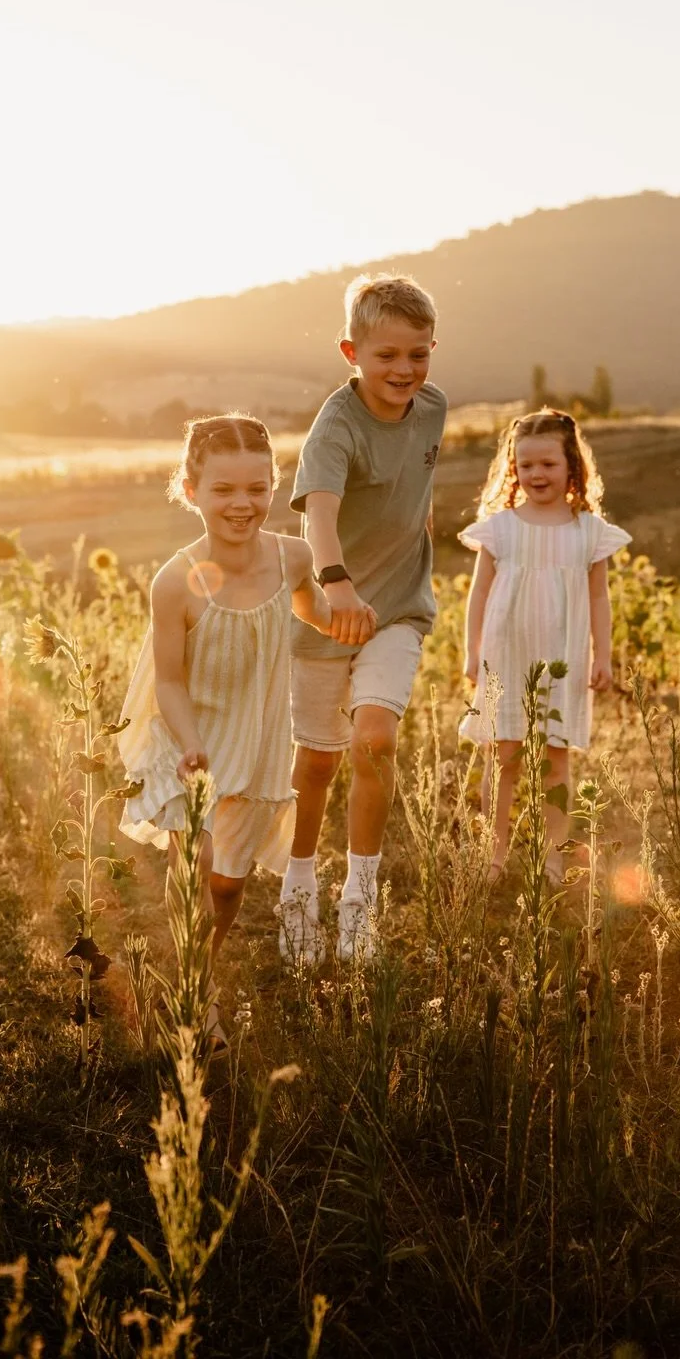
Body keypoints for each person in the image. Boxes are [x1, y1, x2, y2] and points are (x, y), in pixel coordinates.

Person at [117, 414, 331, 1034]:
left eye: (257, 489)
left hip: (256, 743)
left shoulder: (292, 558)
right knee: (197, 867)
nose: (243, 504)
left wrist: (356, 615)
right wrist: (188, 744)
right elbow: (170, 681)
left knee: (228, 891)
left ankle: (201, 965)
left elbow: (319, 615)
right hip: (191, 739)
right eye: (223, 490)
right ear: (190, 490)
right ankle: (194, 996)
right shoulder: (174, 582)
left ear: (273, 485)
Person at [279, 273, 446, 964]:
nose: (405, 370)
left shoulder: (433, 408)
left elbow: (419, 489)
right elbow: (317, 511)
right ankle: (297, 889)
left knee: (373, 742)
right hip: (327, 612)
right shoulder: (334, 427)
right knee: (316, 764)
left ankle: (360, 901)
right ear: (352, 351)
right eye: (387, 356)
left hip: (398, 608)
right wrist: (337, 585)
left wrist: (415, 554)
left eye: (420, 353)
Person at [459, 408, 630, 880]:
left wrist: (604, 656)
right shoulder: (501, 528)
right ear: (513, 467)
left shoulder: (589, 532)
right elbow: (479, 594)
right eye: (525, 464)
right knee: (505, 756)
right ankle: (494, 854)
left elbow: (599, 596)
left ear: (572, 465)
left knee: (556, 762)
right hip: (506, 653)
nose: (536, 474)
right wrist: (472, 652)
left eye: (548, 464)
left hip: (563, 656)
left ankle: (555, 856)